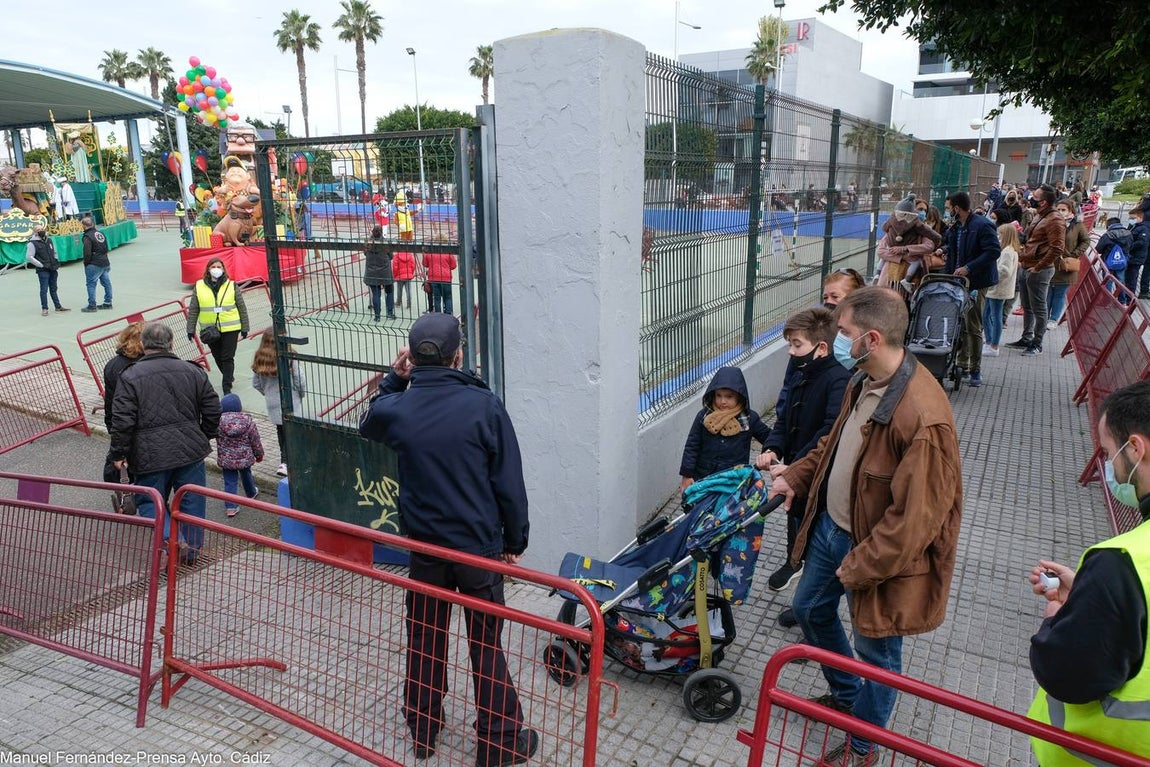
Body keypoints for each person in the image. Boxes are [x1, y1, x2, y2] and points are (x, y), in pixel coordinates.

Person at [770, 286, 962, 766]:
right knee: (810, 610)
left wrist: (860, 567)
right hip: (832, 532)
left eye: (845, 333)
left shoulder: (922, 415)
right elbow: (833, 447)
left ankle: (862, 747)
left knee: (878, 655)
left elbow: (916, 520)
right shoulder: (862, 380)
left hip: (874, 556)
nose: (837, 339)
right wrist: (794, 476)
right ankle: (847, 694)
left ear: (872, 339)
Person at [358, 313, 538, 767]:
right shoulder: (484, 406)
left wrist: (395, 382)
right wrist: (515, 539)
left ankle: (423, 728)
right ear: (459, 356)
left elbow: (369, 421)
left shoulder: (398, 408)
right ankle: (499, 742)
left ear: (412, 359)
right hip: (478, 549)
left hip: (427, 550)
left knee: (424, 635)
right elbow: (509, 484)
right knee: (485, 642)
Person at [1027, 379, 1150, 764]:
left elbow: (1067, 672)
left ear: (1135, 448)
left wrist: (1059, 614)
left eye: (1110, 452)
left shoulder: (1122, 562)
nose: (1109, 465)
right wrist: (1090, 594)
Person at [755, 308, 851, 628]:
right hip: (795, 470)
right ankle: (802, 592)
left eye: (796, 344)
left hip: (819, 477)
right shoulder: (799, 370)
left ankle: (812, 613)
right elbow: (784, 419)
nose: (791, 351)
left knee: (819, 547)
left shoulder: (839, 380)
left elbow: (829, 433)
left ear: (821, 347)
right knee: (797, 526)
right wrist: (773, 448)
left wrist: (796, 466)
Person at [109, 322, 220, 565]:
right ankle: (191, 550)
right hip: (190, 451)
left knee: (150, 501)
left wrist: (119, 453)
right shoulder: (193, 371)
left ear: (142, 345)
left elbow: (122, 421)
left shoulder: (129, 376)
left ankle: (171, 540)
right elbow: (213, 408)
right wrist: (202, 435)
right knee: (192, 499)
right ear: (171, 344)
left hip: (149, 454)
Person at [678, 366, 771, 493]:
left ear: (739, 396)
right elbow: (692, 445)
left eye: (729, 396)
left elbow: (769, 438)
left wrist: (769, 453)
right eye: (719, 395)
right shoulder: (704, 416)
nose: (723, 401)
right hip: (704, 478)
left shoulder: (748, 418)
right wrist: (687, 475)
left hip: (733, 481)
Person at [943, 192, 1000, 389]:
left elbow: (993, 251)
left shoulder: (982, 225)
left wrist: (969, 268)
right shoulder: (957, 227)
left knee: (973, 325)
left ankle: (975, 368)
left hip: (976, 282)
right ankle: (962, 363)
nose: (948, 210)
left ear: (957, 208)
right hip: (958, 281)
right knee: (961, 324)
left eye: (949, 206)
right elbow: (954, 250)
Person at [1006, 184, 1063, 356]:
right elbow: (1033, 239)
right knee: (1028, 305)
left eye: (1035, 198)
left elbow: (1057, 248)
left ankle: (1037, 343)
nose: (1032, 199)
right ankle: (1027, 337)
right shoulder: (1041, 215)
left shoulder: (1055, 219)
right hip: (1028, 265)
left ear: (1044, 202)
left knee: (1039, 307)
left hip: (1038, 269)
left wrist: (1037, 267)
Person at [186, 257, 250, 394]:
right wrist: (190, 329)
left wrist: (245, 327)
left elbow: (241, 307)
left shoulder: (231, 285)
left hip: (230, 328)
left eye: (219, 267)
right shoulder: (199, 286)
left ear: (223, 269)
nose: (216, 269)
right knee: (217, 356)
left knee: (227, 357)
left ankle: (226, 386)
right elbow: (194, 309)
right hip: (209, 329)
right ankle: (229, 375)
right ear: (208, 270)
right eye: (213, 267)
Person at [251, 330, 305, 477]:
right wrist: (301, 394)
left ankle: (284, 461)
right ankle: (287, 462)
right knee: (292, 432)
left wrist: (267, 393)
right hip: (290, 400)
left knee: (281, 432)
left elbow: (256, 383)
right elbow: (299, 379)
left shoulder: (260, 357)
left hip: (272, 402)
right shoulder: (290, 356)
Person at [101, 321, 145, 483]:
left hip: (124, 427)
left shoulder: (112, 365)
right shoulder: (149, 363)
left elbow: (110, 403)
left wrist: (113, 430)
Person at [877, 194, 942, 297]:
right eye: (920, 209)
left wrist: (905, 249)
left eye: (925, 211)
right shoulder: (892, 232)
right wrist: (903, 256)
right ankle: (877, 274)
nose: (923, 213)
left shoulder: (921, 231)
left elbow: (929, 246)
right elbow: (881, 251)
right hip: (889, 278)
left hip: (914, 280)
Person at [215, 393, 263, 518]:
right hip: (244, 457)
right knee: (246, 474)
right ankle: (251, 493)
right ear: (239, 407)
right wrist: (259, 454)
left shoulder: (218, 422)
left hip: (227, 459)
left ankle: (231, 507)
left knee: (230, 481)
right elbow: (255, 440)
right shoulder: (248, 421)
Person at [1048, 199, 1088, 326]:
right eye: (1058, 209)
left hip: (1067, 263)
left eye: (1063, 210)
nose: (1060, 212)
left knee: (1059, 293)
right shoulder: (1051, 222)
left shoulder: (1077, 225)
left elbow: (1086, 241)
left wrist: (1075, 254)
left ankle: (1053, 319)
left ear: (1071, 211)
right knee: (1047, 292)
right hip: (1049, 262)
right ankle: (1044, 316)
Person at [982, 224, 1020, 357]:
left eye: (1000, 234)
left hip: (998, 288)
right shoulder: (1008, 250)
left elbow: (1005, 271)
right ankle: (990, 341)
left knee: (993, 316)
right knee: (988, 315)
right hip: (996, 288)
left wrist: (990, 273)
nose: (998, 237)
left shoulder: (1007, 252)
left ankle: (993, 344)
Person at [26, 225, 69, 316]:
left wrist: (55, 260)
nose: (41, 231)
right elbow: (29, 257)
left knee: (54, 288)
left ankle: (58, 306)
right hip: (43, 270)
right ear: (35, 232)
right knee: (44, 289)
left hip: (53, 268)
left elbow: (54, 252)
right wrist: (40, 265)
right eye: (38, 230)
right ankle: (44, 308)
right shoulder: (32, 243)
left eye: (42, 229)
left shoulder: (49, 240)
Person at [80, 216, 113, 313]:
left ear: (84, 225)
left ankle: (92, 305)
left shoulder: (87, 236)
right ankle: (108, 302)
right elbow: (106, 247)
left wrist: (86, 263)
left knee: (91, 284)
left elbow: (87, 252)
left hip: (94, 263)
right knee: (106, 283)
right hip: (104, 261)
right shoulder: (100, 233)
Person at [1095, 217, 1133, 300]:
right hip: (1122, 261)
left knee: (1108, 280)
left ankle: (1107, 299)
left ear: (1109, 225)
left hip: (1108, 261)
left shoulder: (1107, 235)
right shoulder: (1128, 233)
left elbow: (1098, 248)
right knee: (1121, 281)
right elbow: (1131, 246)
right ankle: (1122, 300)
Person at [363, 225, 396, 321]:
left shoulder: (368, 242)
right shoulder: (385, 242)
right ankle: (390, 313)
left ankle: (377, 316)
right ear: (381, 232)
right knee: (389, 292)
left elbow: (365, 253)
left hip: (372, 272)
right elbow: (391, 256)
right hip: (385, 272)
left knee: (376, 294)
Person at [1125, 200, 1149, 301]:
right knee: (1131, 276)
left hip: (1137, 255)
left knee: (1132, 277)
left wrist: (1129, 246)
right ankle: (1130, 295)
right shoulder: (1138, 225)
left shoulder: (1143, 227)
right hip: (1135, 255)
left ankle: (1129, 297)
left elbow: (1141, 242)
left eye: (1132, 218)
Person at [423, 247, 457, 315]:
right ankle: (448, 314)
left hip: (433, 278)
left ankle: (438, 315)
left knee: (436, 298)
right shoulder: (448, 252)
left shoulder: (430, 253)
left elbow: (425, 264)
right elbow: (453, 266)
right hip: (446, 278)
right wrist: (446, 266)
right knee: (448, 297)